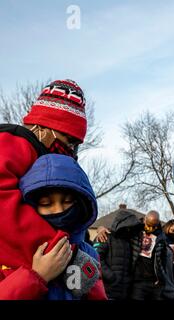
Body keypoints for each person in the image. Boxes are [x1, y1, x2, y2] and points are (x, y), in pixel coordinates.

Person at [0, 79, 91, 299]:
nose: (70, 150)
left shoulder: (43, 160)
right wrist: (60, 248)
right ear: (44, 128)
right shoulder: (13, 142)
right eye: (69, 140)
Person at [0, 154, 107, 299]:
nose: (59, 210)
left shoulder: (86, 255)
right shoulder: (9, 253)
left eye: (67, 201)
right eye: (46, 203)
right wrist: (36, 276)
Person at [96, 210, 162, 300]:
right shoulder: (111, 236)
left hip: (127, 287)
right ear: (144, 219)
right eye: (148, 225)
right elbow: (96, 257)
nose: (150, 229)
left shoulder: (132, 237)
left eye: (154, 226)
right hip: (117, 286)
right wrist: (100, 228)